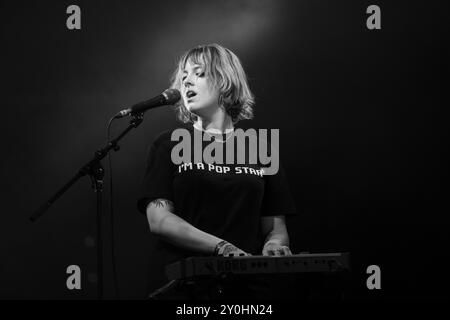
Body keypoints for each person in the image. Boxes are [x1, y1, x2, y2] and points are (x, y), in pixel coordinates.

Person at [137, 43, 297, 300]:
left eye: (198, 73)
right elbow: (159, 220)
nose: (187, 82)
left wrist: (275, 245)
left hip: (247, 287)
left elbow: (275, 226)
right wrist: (221, 247)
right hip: (183, 286)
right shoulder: (168, 144)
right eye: (184, 77)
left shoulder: (261, 149)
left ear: (225, 80)